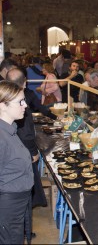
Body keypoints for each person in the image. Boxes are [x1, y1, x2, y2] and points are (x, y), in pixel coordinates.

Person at [0, 80, 34, 244]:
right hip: (7, 207)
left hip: (17, 205)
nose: (25, 105)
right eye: (20, 101)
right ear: (3, 105)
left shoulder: (10, 129)